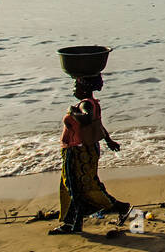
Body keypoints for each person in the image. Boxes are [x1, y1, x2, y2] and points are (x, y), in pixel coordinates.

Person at [51, 74, 131, 235]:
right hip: (86, 150)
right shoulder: (93, 104)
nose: (73, 90)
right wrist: (109, 141)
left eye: (76, 86)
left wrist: (71, 111)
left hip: (79, 152)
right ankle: (75, 223)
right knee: (82, 186)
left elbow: (87, 120)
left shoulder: (85, 105)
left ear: (84, 88)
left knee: (75, 187)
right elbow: (98, 125)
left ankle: (72, 223)